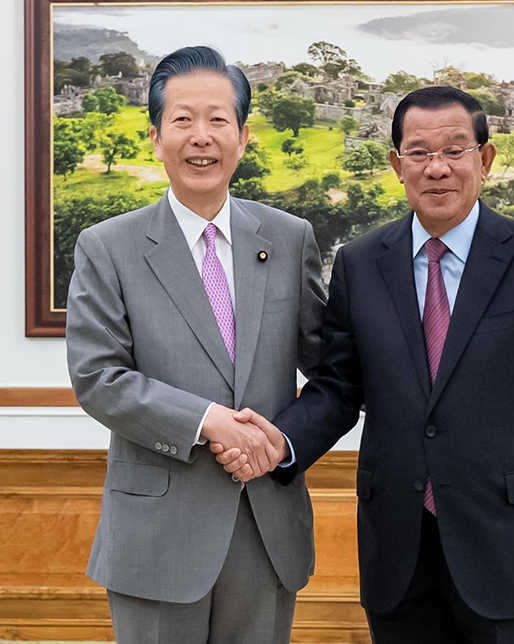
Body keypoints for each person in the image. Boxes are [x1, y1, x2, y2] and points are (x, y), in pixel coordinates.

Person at [213, 87, 514, 643]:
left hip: (511, 542)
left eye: (455, 150)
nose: (436, 168)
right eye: (419, 153)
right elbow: (338, 387)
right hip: (398, 544)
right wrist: (279, 442)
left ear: (485, 159)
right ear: (398, 165)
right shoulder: (360, 263)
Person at [65, 46, 325, 644]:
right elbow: (99, 378)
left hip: (267, 524)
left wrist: (282, 443)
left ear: (244, 136)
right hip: (156, 533)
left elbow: (331, 372)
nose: (200, 137)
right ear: (156, 137)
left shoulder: (290, 239)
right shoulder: (108, 247)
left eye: (217, 119)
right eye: (182, 120)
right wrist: (210, 421)